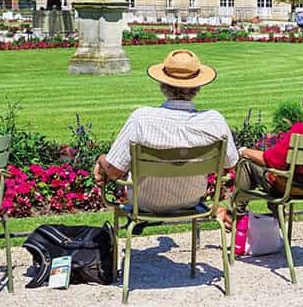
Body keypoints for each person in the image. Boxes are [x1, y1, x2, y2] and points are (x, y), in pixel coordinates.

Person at [93, 49, 239, 213]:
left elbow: (114, 171)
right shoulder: (214, 121)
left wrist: (101, 159)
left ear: (163, 84)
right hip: (191, 200)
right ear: (197, 86)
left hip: (144, 203)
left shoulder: (141, 119)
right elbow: (231, 163)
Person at [218, 76, 303, 228]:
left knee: (247, 164)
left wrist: (243, 151)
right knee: (279, 170)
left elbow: (271, 161)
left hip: (290, 189)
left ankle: (235, 215)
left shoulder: (301, 131)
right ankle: (275, 210)